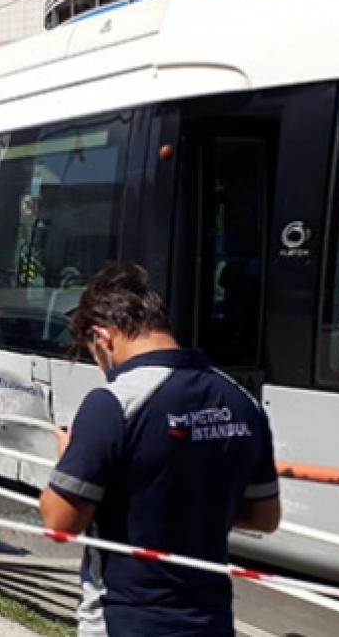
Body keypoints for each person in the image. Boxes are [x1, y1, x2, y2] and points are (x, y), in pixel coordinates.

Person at [39, 263, 281, 636]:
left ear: (103, 337)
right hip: (211, 621)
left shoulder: (113, 403)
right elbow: (264, 517)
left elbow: (60, 523)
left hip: (125, 619)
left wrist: (69, 458)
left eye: (93, 354)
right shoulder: (241, 400)